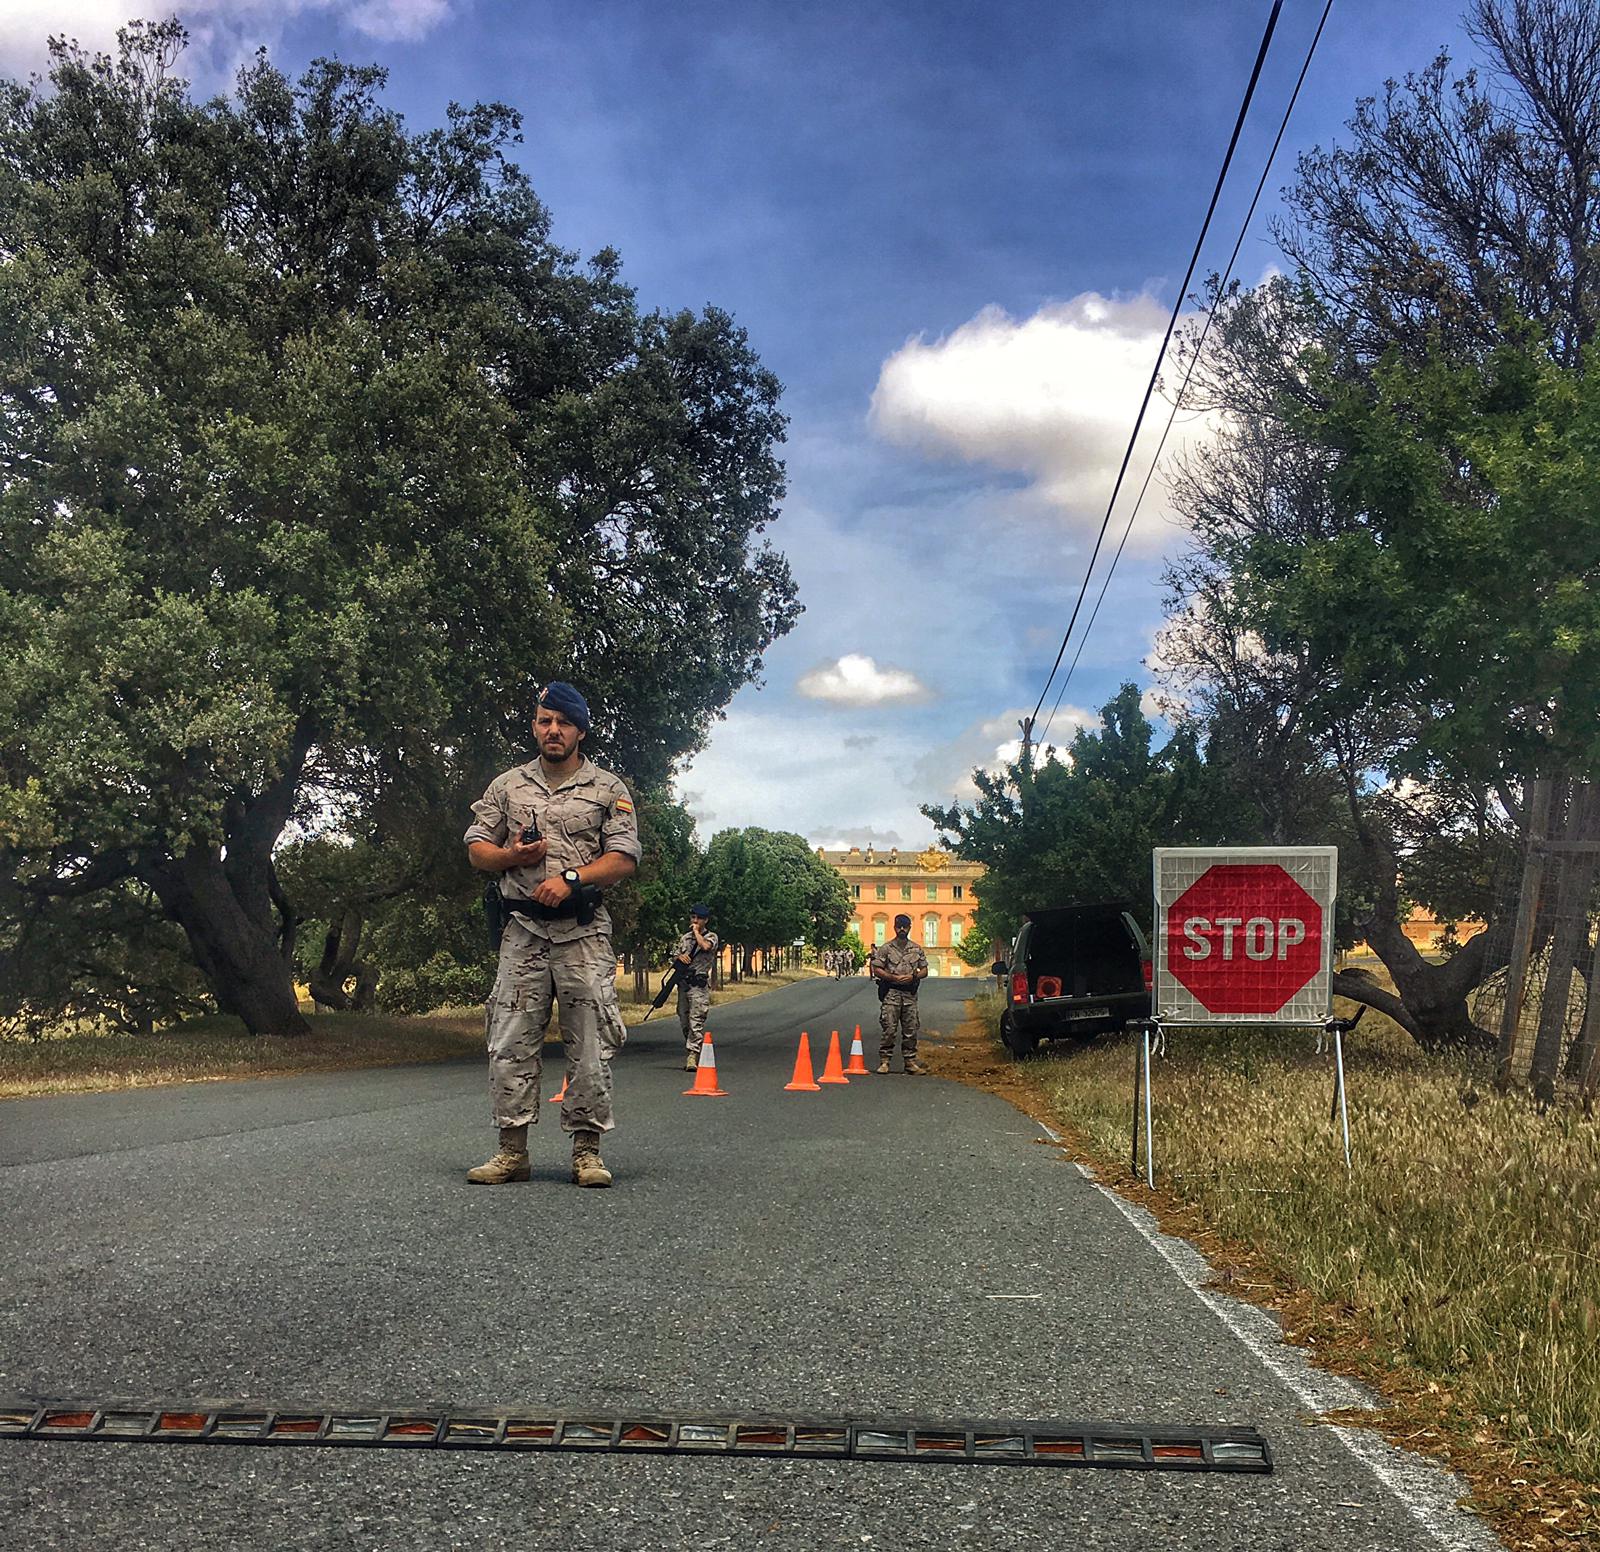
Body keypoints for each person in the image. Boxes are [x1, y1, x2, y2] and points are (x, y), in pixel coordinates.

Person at [462, 682, 640, 1188]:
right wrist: (511, 857)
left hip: (582, 933)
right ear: (535, 726)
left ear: (580, 730)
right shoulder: (507, 787)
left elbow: (624, 858)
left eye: (562, 722)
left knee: (589, 1041)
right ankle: (511, 1151)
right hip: (521, 932)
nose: (553, 730)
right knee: (509, 1038)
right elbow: (477, 848)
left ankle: (587, 1151)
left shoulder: (609, 789)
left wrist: (571, 879)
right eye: (544, 721)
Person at [870, 913, 929, 1074]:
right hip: (891, 993)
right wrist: (892, 977)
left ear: (910, 927)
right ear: (894, 927)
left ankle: (910, 1062)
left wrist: (914, 976)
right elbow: (877, 969)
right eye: (899, 926)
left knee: (911, 1029)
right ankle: (885, 1061)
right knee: (889, 1028)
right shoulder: (886, 948)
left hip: (909, 994)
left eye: (905, 926)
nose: (902, 929)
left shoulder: (916, 949)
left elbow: (924, 970)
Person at [672, 904, 719, 1070]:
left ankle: (692, 1055)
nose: (695, 921)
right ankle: (691, 1044)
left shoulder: (711, 936)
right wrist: (680, 957)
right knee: (684, 1019)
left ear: (705, 920)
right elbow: (674, 956)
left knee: (696, 1020)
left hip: (698, 985)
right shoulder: (685, 938)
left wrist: (697, 933)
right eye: (693, 918)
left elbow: (706, 947)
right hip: (684, 984)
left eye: (698, 918)